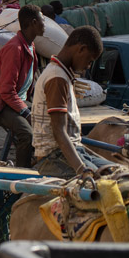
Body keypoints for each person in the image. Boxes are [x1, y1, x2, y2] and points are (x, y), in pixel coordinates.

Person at [32, 27, 111, 177]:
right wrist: (81, 169)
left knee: (119, 172)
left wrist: (104, 162)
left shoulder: (63, 75)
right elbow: (59, 132)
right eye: (89, 61)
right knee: (103, 183)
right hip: (53, 157)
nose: (88, 67)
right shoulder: (57, 78)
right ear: (81, 49)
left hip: (74, 150)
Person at [0, 5, 44, 169]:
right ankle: (22, 174)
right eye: (42, 21)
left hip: (18, 101)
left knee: (49, 123)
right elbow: (6, 91)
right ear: (34, 22)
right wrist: (26, 113)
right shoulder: (15, 49)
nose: (45, 25)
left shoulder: (30, 46)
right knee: (27, 134)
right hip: (3, 105)